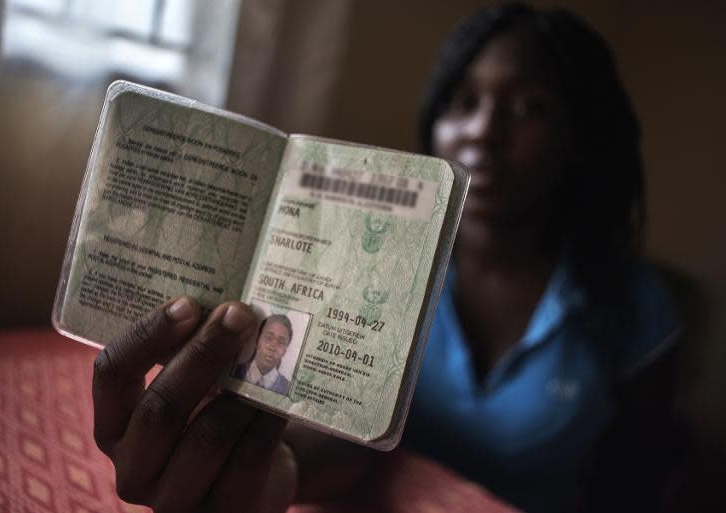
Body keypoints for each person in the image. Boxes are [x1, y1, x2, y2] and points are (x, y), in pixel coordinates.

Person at [90, 4, 680, 513]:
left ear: (581, 136)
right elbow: (345, 442)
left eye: (529, 109)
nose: (482, 132)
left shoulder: (633, 304)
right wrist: (271, 469)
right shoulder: (376, 266)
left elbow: (632, 488)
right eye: (463, 101)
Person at [232, 314, 293, 396]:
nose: (272, 347)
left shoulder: (288, 390)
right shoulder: (234, 371)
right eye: (268, 338)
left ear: (285, 351)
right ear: (257, 341)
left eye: (281, 342)